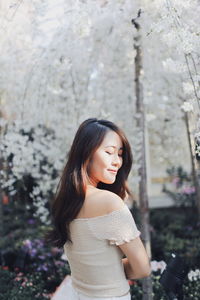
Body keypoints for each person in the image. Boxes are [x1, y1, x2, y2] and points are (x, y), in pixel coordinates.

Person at [46, 118, 151, 300]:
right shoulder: (110, 203)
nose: (117, 161)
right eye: (109, 152)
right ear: (86, 154)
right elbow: (142, 268)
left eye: (119, 154)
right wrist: (112, 270)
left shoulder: (66, 201)